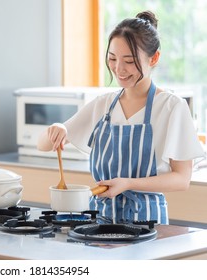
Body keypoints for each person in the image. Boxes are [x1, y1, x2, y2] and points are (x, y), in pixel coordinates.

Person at [37, 11, 205, 224]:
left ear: (154, 58)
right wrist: (57, 127)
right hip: (99, 222)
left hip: (147, 224)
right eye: (112, 59)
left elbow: (182, 179)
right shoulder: (103, 105)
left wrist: (128, 183)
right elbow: (43, 144)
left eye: (129, 61)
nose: (119, 69)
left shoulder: (172, 107)